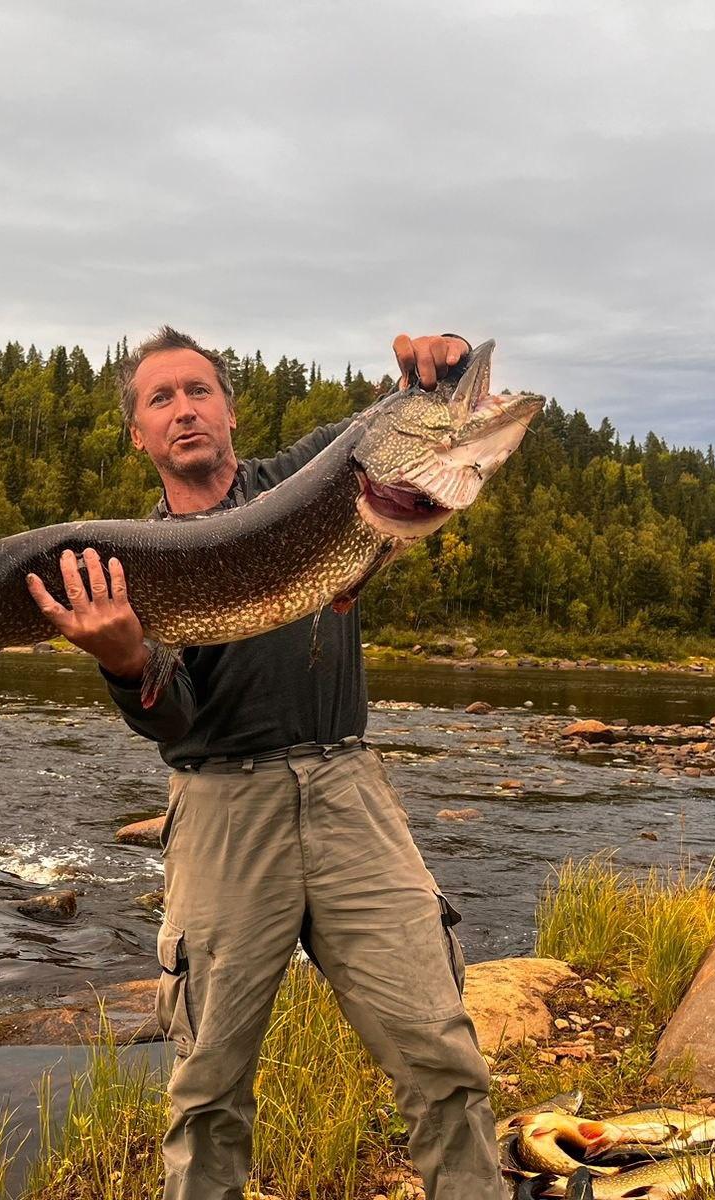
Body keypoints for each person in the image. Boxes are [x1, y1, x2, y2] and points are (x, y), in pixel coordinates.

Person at [24, 328, 501, 1200]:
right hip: (220, 811)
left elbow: (406, 418)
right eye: (160, 399)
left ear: (231, 410)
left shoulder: (311, 478)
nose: (183, 409)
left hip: (350, 793)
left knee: (442, 1055)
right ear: (139, 435)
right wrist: (126, 661)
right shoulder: (130, 563)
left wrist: (445, 360)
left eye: (198, 390)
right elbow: (177, 723)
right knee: (206, 1091)